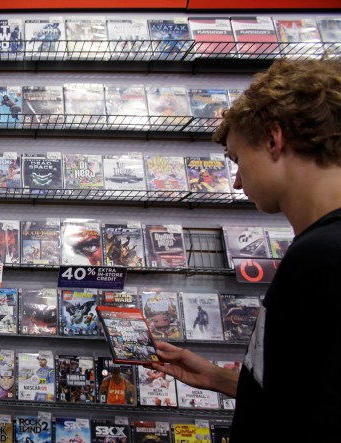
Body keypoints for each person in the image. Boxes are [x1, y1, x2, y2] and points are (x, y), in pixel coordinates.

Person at [150, 59, 341, 442]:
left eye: (237, 159)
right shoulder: (320, 250)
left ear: (274, 139)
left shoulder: (324, 258)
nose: (236, 182)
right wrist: (222, 379)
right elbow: (304, 394)